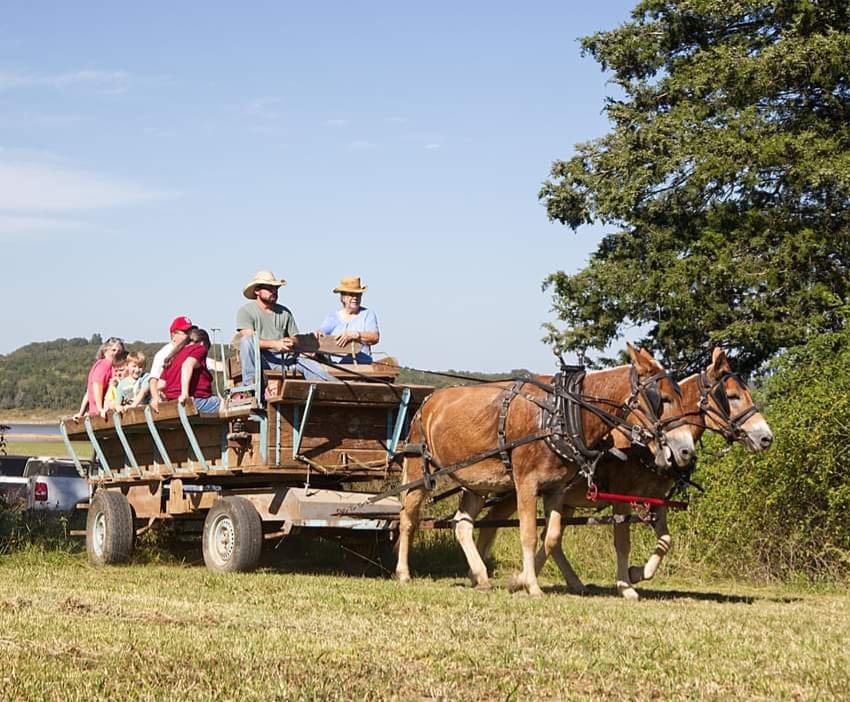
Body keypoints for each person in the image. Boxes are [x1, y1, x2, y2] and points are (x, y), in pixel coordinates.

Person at [236, 270, 337, 386]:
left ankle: (337, 390)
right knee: (246, 341)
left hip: (285, 359)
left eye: (276, 288)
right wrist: (275, 344)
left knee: (313, 367)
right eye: (269, 288)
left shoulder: (285, 312)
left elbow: (295, 337)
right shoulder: (245, 311)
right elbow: (250, 340)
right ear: (257, 291)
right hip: (261, 360)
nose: (274, 291)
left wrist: (290, 341)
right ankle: (250, 386)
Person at [317, 276, 380, 363]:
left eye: (358, 294)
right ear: (343, 297)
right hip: (335, 369)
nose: (355, 298)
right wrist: (317, 334)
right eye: (351, 294)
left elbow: (375, 337)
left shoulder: (368, 314)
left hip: (363, 368)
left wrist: (356, 335)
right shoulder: (332, 317)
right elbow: (321, 333)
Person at [159, 328, 221, 414]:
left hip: (173, 404)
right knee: (224, 404)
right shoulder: (200, 348)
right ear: (203, 343)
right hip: (192, 401)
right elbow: (187, 365)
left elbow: (161, 385)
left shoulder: (174, 355)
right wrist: (184, 394)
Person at [149, 315, 195, 411]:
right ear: (173, 335)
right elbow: (153, 381)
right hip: (170, 401)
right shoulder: (163, 354)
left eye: (190, 331)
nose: (189, 335)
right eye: (185, 332)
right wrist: (156, 398)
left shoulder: (191, 350)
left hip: (188, 398)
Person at [75, 337, 126, 419]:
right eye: (113, 350)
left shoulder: (100, 363)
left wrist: (81, 412)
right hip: (103, 412)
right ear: (105, 350)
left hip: (95, 411)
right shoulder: (106, 364)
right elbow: (97, 385)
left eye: (119, 351)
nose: (116, 353)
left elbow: (88, 392)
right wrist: (100, 409)